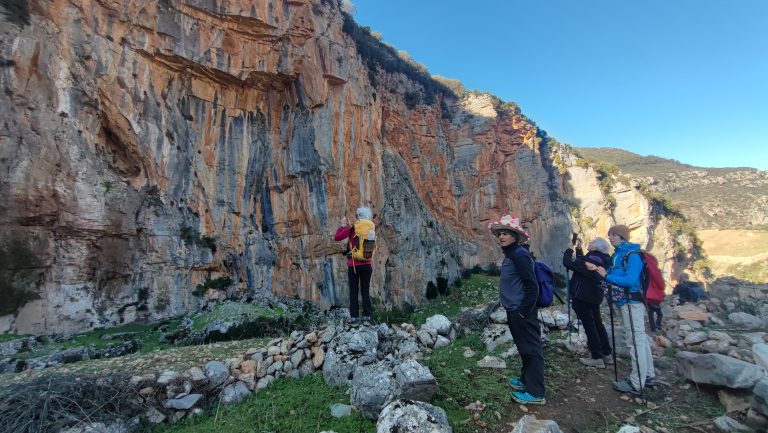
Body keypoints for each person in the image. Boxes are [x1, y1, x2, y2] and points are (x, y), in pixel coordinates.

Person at [587, 224, 655, 395]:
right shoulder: (618, 255)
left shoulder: (632, 256)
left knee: (635, 340)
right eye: (609, 234)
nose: (610, 238)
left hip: (632, 302)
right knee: (640, 338)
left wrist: (606, 275)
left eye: (613, 235)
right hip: (626, 302)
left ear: (622, 236)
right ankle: (648, 374)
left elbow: (631, 280)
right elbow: (617, 274)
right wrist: (598, 270)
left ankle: (636, 382)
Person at [488, 214, 546, 405]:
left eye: (506, 233)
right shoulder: (512, 254)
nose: (501, 237)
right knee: (524, 348)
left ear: (515, 236)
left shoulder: (520, 255)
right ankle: (525, 381)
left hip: (522, 312)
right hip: (514, 310)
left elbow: (532, 287)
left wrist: (522, 311)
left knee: (532, 350)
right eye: (500, 234)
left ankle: (536, 392)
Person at [563, 237, 613, 369]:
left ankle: (596, 357)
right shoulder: (603, 258)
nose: (588, 243)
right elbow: (583, 266)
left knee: (589, 325)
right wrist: (579, 249)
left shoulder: (590, 260)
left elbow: (569, 263)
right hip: (595, 295)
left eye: (591, 243)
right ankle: (606, 353)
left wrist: (569, 249)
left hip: (582, 296)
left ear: (596, 248)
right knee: (597, 323)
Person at [334, 207, 374, 325]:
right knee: (365, 290)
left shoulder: (352, 230)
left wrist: (342, 225)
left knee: (354, 290)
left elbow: (337, 237)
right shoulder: (371, 229)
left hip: (354, 265)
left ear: (357, 217)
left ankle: (354, 317)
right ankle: (367, 317)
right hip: (367, 264)